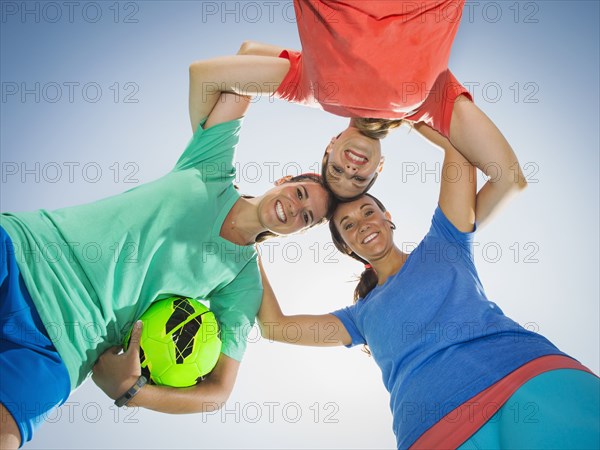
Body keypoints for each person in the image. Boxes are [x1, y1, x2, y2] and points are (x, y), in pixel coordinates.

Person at [0, 58, 336, 448]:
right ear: (283, 180)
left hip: (63, 347)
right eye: (299, 193)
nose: (295, 208)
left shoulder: (242, 282)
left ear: (299, 231)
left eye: (306, 217)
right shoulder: (209, 168)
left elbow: (218, 392)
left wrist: (130, 390)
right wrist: (319, 75)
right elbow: (211, 75)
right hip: (22, 250)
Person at [256, 130, 599, 448]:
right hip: (432, 431)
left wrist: (397, 114)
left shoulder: (444, 241)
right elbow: (274, 326)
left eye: (368, 212)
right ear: (347, 247)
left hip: (526, 378)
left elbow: (458, 146)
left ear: (387, 215)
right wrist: (247, 240)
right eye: (348, 225)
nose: (363, 225)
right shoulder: (358, 318)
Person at [192, 0, 527, 227]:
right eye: (359, 178)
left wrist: (204, 165)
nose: (351, 168)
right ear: (379, 166)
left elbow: (217, 70)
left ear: (332, 143)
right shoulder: (428, 106)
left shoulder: (310, 92)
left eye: (337, 168)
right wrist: (452, 246)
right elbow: (509, 179)